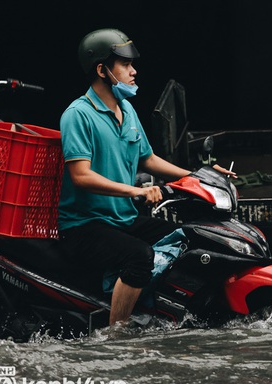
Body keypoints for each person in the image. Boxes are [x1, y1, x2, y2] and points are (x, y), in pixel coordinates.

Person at [58, 28, 233, 325]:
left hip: (122, 220)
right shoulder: (78, 115)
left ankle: (158, 312)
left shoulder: (126, 109)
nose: (133, 71)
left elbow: (148, 159)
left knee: (187, 239)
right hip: (85, 226)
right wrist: (136, 192)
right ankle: (117, 333)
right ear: (102, 70)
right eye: (125, 65)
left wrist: (197, 176)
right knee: (138, 256)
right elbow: (81, 176)